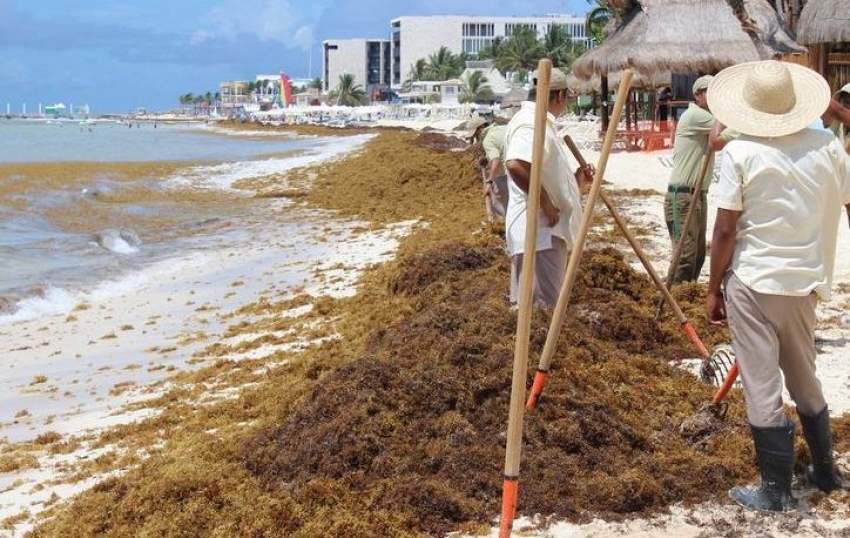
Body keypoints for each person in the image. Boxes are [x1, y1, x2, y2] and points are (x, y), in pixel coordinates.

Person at [705, 60, 850, 513]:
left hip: (752, 281)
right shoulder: (827, 146)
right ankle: (825, 470)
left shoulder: (740, 152)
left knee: (763, 384)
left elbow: (725, 229)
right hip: (804, 282)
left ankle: (775, 489)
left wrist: (712, 288)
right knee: (804, 374)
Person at [504, 68, 594, 306]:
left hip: (542, 230)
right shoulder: (532, 124)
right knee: (543, 311)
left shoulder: (539, 123)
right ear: (560, 96)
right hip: (540, 232)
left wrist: (577, 182)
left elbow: (543, 176)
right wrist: (545, 202)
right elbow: (516, 164)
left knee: (535, 310)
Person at [663, 75, 734, 284]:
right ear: (697, 95)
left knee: (698, 256)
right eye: (711, 94)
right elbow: (728, 130)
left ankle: (683, 299)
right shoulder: (695, 116)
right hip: (683, 196)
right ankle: (672, 300)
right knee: (684, 257)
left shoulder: (704, 117)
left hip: (697, 195)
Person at [481, 110, 511, 218]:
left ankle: (502, 226)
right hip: (523, 168)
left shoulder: (488, 140)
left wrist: (489, 182)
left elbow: (496, 161)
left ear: (479, 129)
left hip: (508, 173)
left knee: (496, 198)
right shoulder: (503, 129)